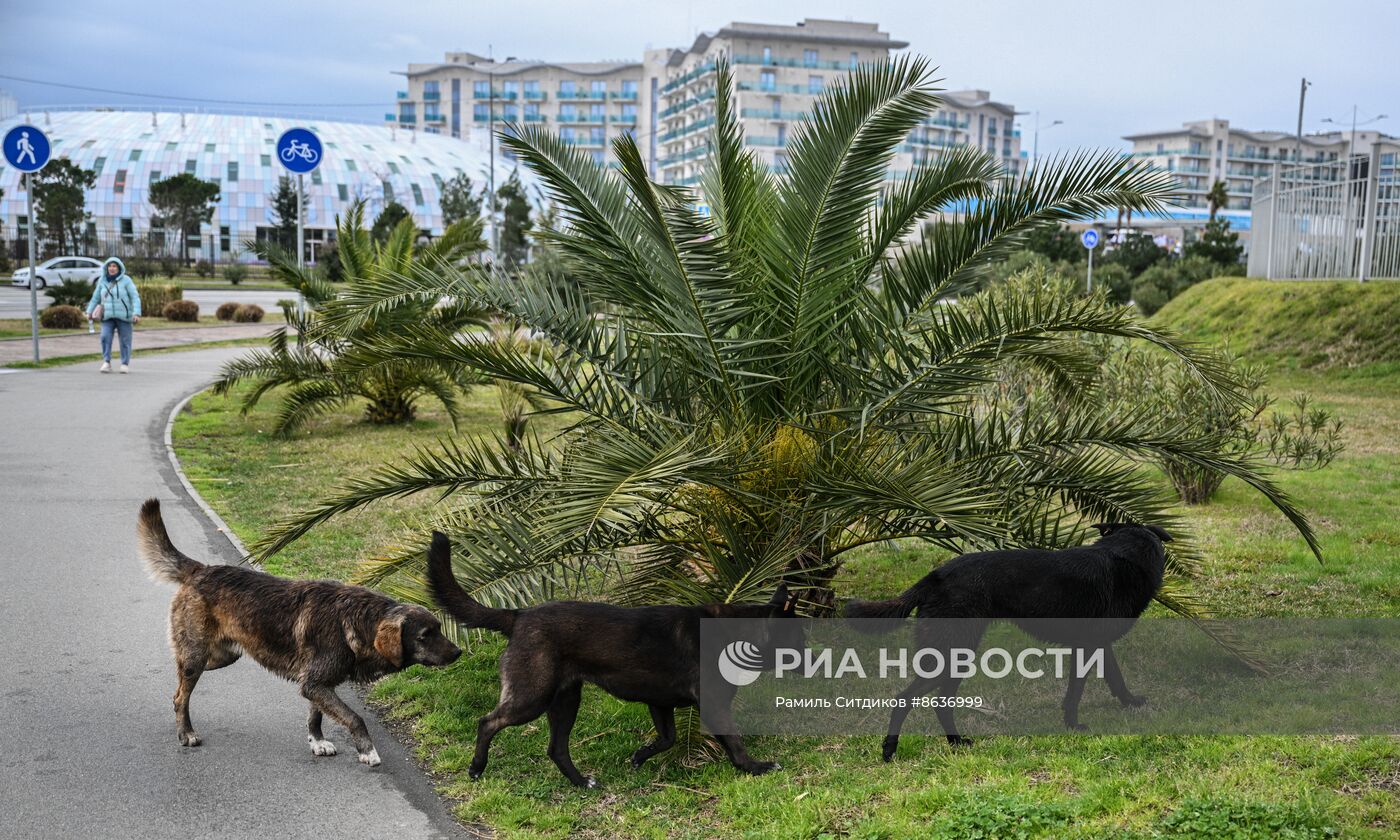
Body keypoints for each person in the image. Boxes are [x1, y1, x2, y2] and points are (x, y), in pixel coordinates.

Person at [86, 258, 142, 373]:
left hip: (124, 317)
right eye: (109, 266)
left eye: (114, 266)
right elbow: (95, 297)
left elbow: (135, 297)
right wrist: (89, 311)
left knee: (125, 341)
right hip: (107, 316)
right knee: (105, 337)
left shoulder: (126, 280)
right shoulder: (102, 280)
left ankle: (124, 363)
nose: (111, 268)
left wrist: (136, 313)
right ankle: (107, 362)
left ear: (119, 268)